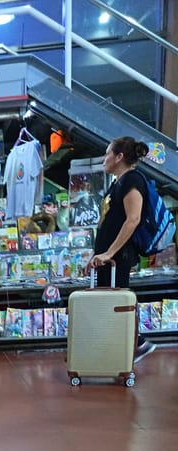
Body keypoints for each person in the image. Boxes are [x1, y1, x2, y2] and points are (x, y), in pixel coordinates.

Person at [89, 136, 155, 360]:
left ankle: (137, 344)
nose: (103, 159)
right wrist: (96, 254)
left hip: (118, 257)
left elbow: (133, 219)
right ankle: (121, 348)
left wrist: (109, 252)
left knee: (116, 304)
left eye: (107, 153)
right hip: (108, 258)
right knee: (109, 304)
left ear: (119, 157)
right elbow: (109, 223)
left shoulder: (132, 180)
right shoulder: (118, 183)